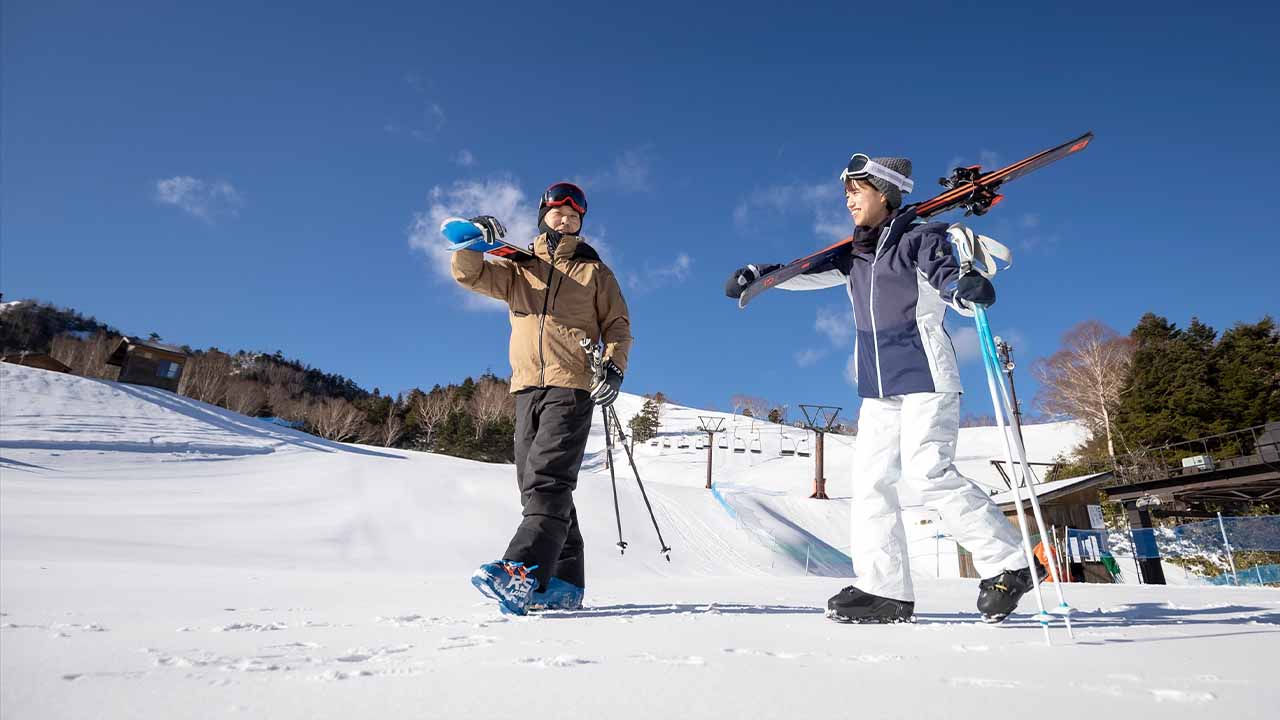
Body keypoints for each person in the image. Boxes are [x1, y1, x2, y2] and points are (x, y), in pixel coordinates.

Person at [724, 154, 1033, 623]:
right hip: (877, 385)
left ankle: (1009, 564)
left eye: (856, 190)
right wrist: (760, 273)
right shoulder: (857, 254)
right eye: (846, 192)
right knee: (871, 485)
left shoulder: (920, 237)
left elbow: (948, 275)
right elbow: (806, 271)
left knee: (928, 471)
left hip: (925, 374)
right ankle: (884, 590)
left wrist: (965, 290)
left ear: (884, 194)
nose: (848, 199)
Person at [452, 181, 633, 615]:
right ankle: (564, 582)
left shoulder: (595, 272)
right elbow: (469, 273)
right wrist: (471, 241)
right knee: (533, 488)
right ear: (543, 216)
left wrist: (614, 367)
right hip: (526, 385)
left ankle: (523, 569)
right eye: (558, 212)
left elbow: (618, 326)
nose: (566, 219)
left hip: (572, 383)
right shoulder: (521, 268)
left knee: (548, 480)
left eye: (574, 215)